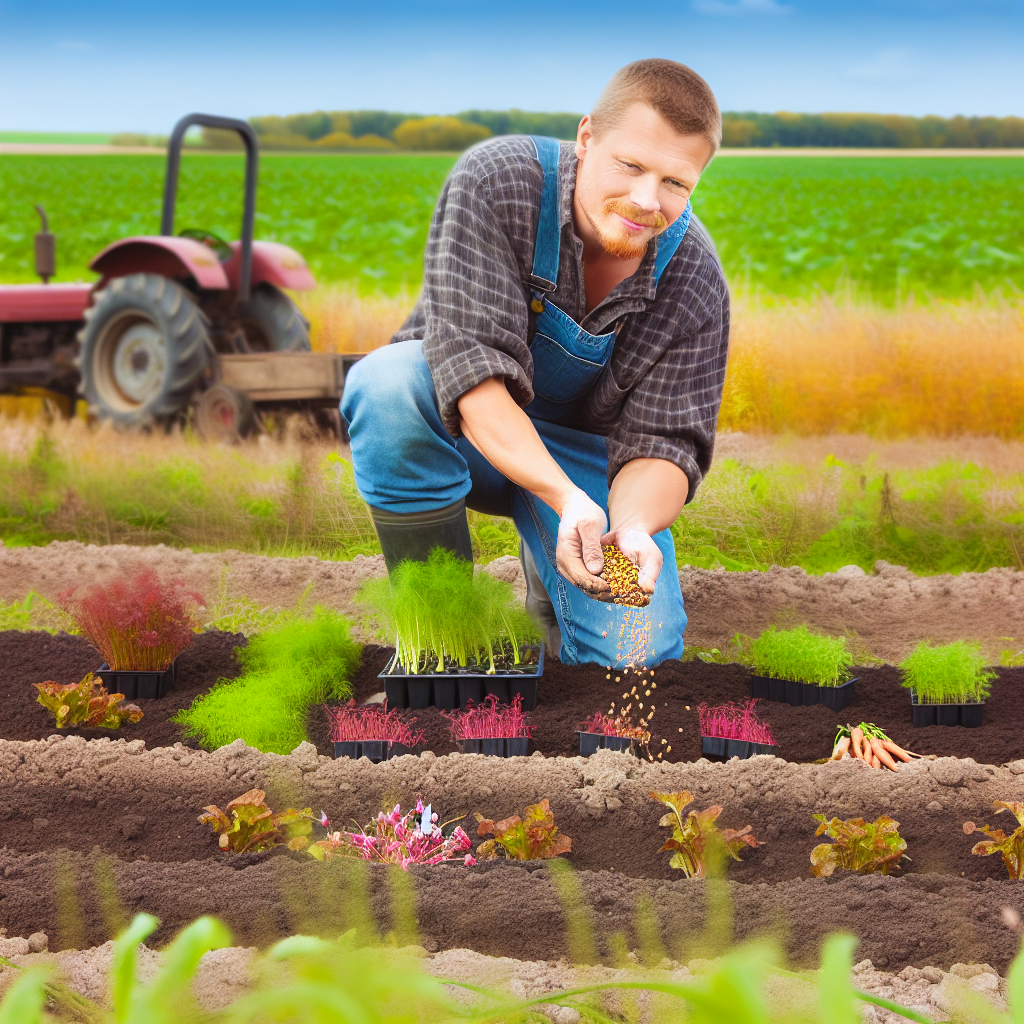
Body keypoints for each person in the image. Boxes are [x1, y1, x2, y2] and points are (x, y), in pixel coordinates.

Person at [341, 58, 729, 668]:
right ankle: (441, 639)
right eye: (630, 165)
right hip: (460, 424)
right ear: (586, 137)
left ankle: (554, 590)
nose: (646, 200)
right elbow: (471, 372)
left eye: (676, 183)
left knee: (638, 655)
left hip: (586, 471)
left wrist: (626, 527)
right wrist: (562, 497)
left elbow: (664, 444)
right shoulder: (500, 182)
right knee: (385, 382)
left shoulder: (695, 279)